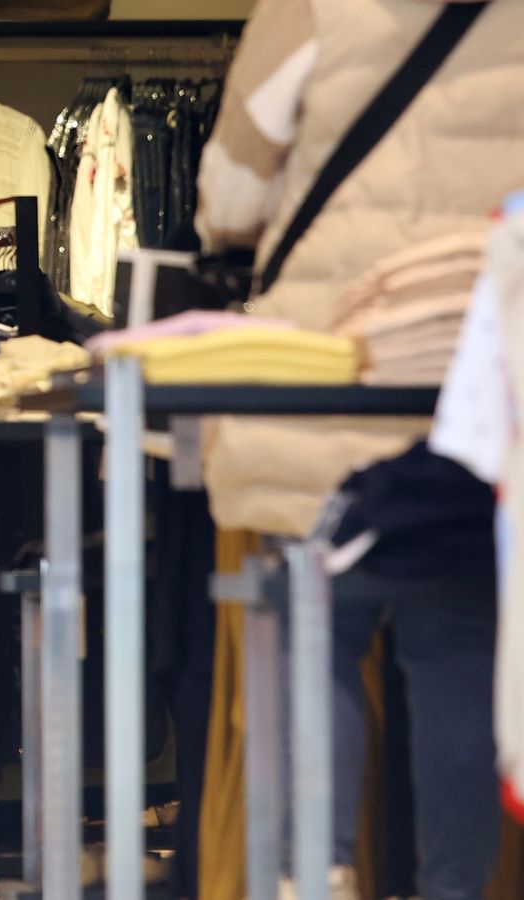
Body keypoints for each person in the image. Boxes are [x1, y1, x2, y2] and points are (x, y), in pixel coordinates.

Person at [197, 1, 524, 897]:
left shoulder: (310, 9)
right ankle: (457, 887)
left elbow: (230, 198)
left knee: (313, 629)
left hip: (330, 374)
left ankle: (317, 875)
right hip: (477, 386)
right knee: (460, 642)